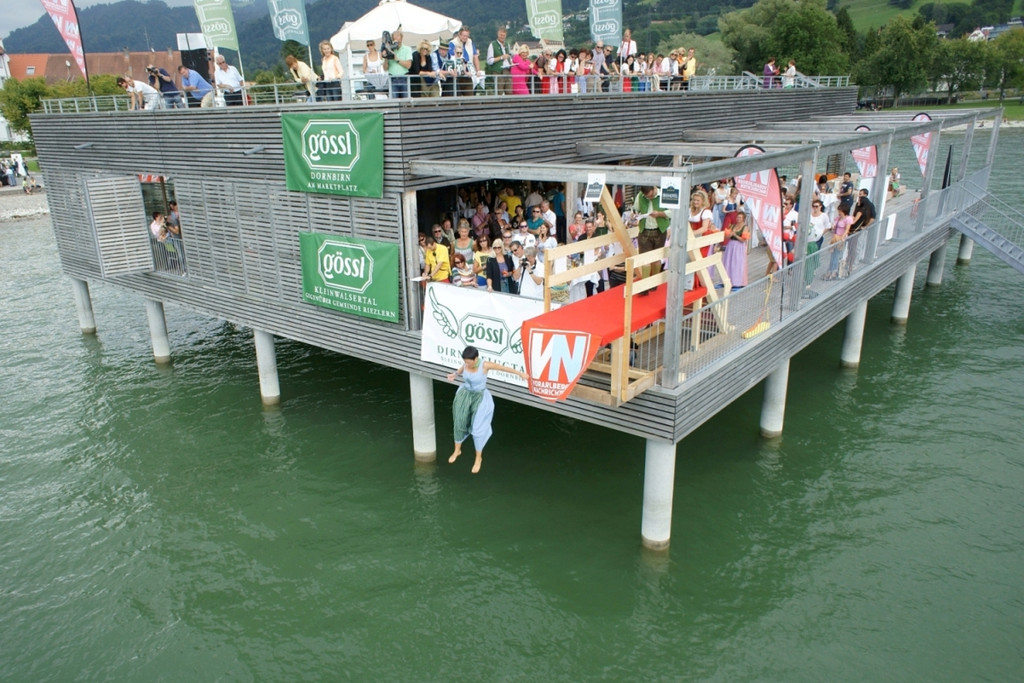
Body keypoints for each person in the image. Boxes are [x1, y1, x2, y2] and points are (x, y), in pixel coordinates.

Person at [447, 345, 527, 474]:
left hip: (479, 396)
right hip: (465, 394)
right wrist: (455, 374)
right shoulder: (466, 364)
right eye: (465, 362)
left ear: (476, 359)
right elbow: (462, 369)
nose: (467, 364)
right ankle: (457, 449)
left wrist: (520, 374)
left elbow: (504, 368)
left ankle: (478, 458)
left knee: (477, 428)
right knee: (459, 421)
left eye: (469, 362)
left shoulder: (485, 365)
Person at [634, 185, 672, 276]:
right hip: (644, 230)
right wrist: (634, 213)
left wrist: (660, 214)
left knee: (656, 258)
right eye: (647, 197)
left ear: (655, 188)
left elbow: (673, 212)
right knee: (645, 259)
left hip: (660, 230)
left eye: (651, 196)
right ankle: (646, 284)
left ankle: (654, 283)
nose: (649, 198)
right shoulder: (640, 196)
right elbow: (636, 208)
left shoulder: (664, 194)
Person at [846, 188, 876, 276]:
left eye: (861, 194)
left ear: (866, 195)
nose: (859, 196)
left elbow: (872, 218)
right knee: (853, 246)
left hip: (860, 228)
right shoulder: (858, 205)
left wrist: (865, 226)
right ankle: (850, 262)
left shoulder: (869, 206)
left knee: (857, 245)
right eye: (859, 194)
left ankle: (854, 263)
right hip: (855, 228)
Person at [721, 210, 749, 290]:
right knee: (728, 262)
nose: (738, 219)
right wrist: (728, 235)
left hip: (739, 246)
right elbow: (726, 237)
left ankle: (737, 282)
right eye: (737, 217)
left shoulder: (745, 227)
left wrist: (735, 235)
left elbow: (743, 240)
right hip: (731, 245)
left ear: (743, 219)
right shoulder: (732, 226)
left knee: (737, 263)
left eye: (740, 217)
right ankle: (727, 280)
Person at [826, 204, 853, 279]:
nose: (839, 212)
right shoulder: (838, 218)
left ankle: (834, 271)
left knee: (837, 254)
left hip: (841, 238)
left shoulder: (848, 219)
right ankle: (830, 269)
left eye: (840, 211)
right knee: (833, 254)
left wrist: (842, 237)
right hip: (835, 237)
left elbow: (847, 229)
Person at [485, 27, 512, 95]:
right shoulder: (492, 45)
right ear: (498, 34)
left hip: (507, 71)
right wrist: (501, 57)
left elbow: (509, 56)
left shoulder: (507, 45)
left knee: (509, 92)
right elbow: (489, 61)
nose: (502, 37)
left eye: (504, 35)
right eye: (501, 35)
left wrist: (511, 62)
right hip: (498, 72)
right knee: (499, 92)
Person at [387, 29, 413, 98]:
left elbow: (408, 65)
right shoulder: (389, 50)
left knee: (405, 103)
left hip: (404, 78)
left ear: (401, 38)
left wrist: (396, 59)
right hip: (392, 79)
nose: (397, 42)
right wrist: (386, 57)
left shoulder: (407, 49)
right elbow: (385, 68)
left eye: (398, 40)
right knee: (394, 103)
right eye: (395, 40)